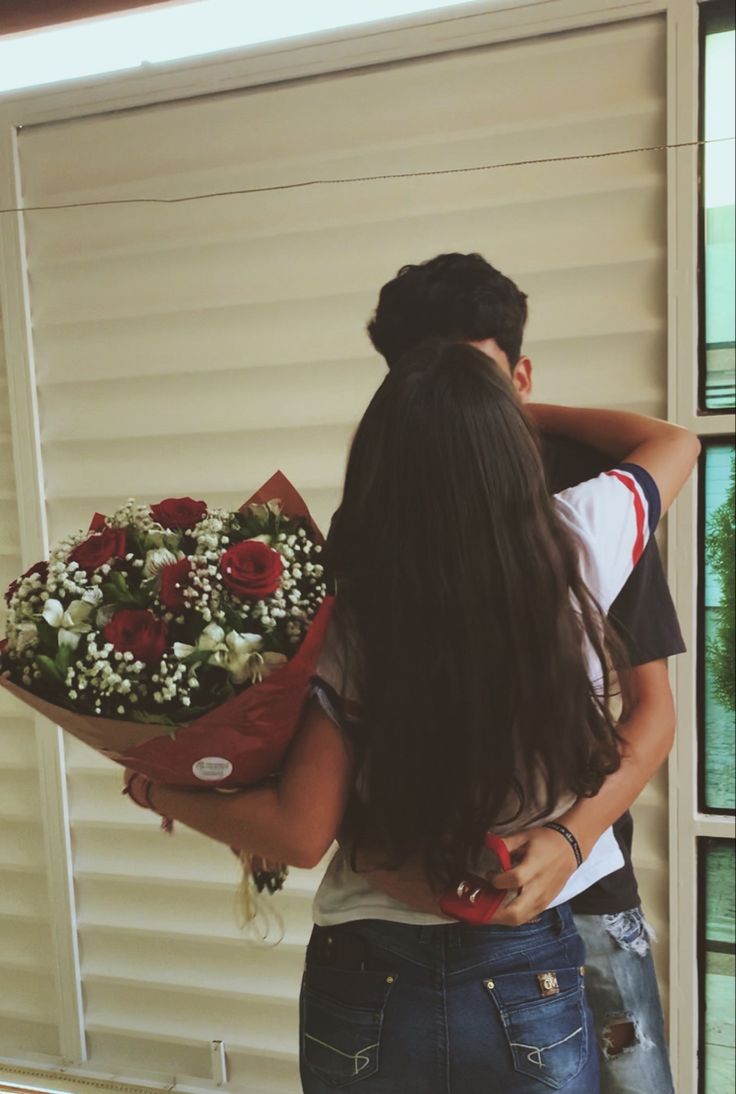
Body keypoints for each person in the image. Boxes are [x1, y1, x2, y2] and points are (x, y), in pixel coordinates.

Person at [124, 342, 698, 1092]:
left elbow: (300, 833)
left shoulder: (355, 615)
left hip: (367, 976)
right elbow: (675, 442)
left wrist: (156, 789)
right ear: (512, 451)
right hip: (527, 968)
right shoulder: (586, 538)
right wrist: (510, 412)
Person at [356, 252, 686, 1091]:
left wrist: (567, 843)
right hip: (428, 916)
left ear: (520, 376)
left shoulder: (580, 501)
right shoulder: (367, 524)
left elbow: (651, 714)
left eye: (469, 376)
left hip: (588, 890)